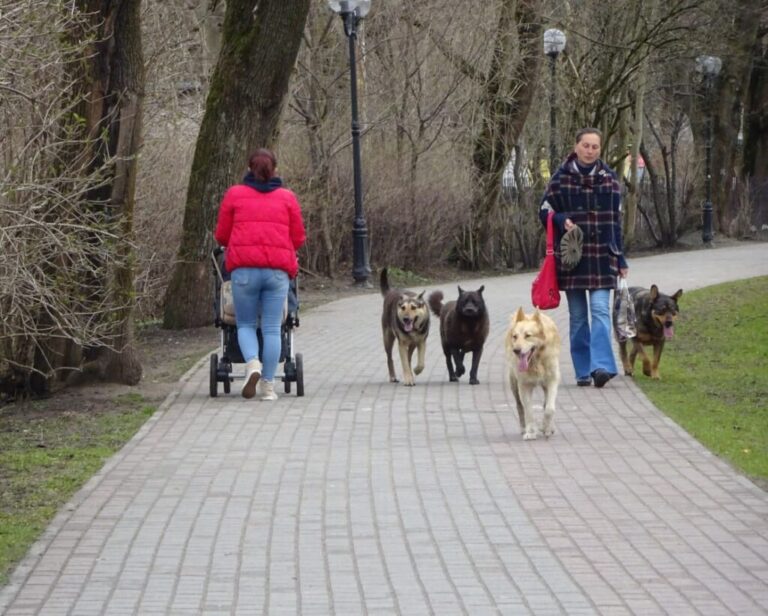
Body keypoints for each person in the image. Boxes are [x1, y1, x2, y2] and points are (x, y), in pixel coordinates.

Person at [539, 127, 629, 388]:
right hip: (573, 258)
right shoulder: (560, 179)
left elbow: (616, 223)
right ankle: (582, 370)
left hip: (603, 256)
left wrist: (621, 259)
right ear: (576, 146)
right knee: (578, 317)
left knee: (600, 310)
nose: (590, 151)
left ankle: (600, 366)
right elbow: (543, 211)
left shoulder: (610, 180)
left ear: (600, 149)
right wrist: (559, 218)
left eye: (595, 147)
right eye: (586, 145)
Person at [214, 148, 306, 401]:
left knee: (244, 324)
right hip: (277, 272)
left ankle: (252, 363)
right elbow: (298, 237)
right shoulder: (287, 198)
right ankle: (267, 386)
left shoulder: (234, 194)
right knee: (272, 328)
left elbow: (222, 235)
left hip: (244, 271)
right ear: (275, 169)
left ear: (248, 168)